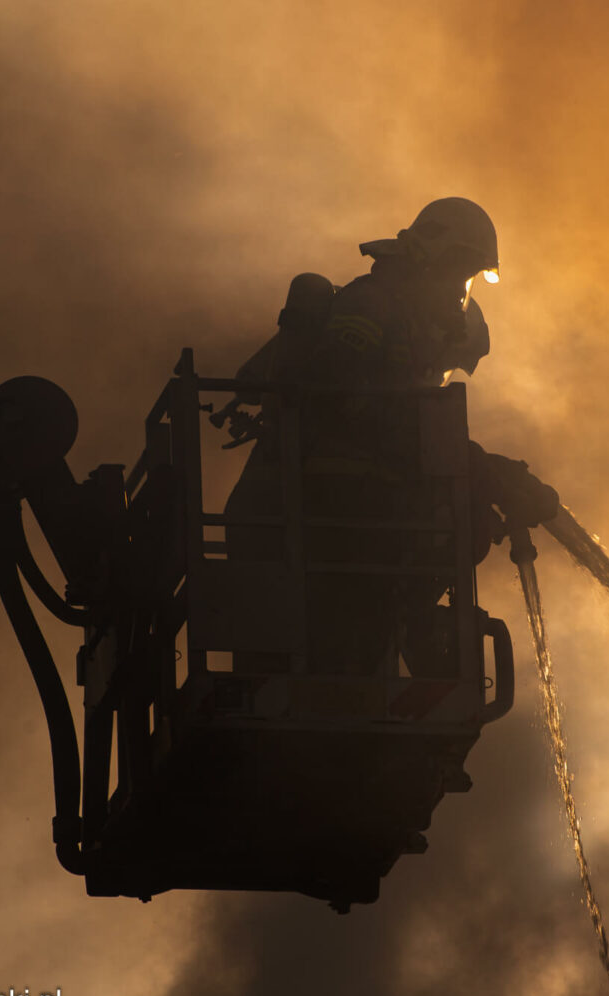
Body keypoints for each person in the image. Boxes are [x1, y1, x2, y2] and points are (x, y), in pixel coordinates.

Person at [221, 198, 559, 675]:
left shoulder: (407, 318)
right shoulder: (371, 305)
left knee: (470, 514)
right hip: (322, 506)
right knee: (461, 511)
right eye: (461, 270)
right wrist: (477, 464)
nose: (459, 288)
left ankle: (408, 626)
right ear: (431, 256)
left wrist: (484, 469)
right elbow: (341, 401)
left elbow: (400, 421)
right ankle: (415, 629)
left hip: (344, 514)